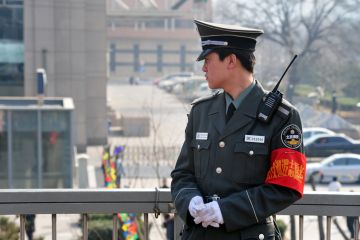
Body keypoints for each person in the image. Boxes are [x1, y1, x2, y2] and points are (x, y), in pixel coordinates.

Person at [171, 19, 306, 239]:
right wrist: (190, 201)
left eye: (208, 60)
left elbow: (286, 186)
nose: (203, 68)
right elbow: (182, 174)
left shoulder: (282, 117)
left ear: (231, 60)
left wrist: (225, 211)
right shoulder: (201, 112)